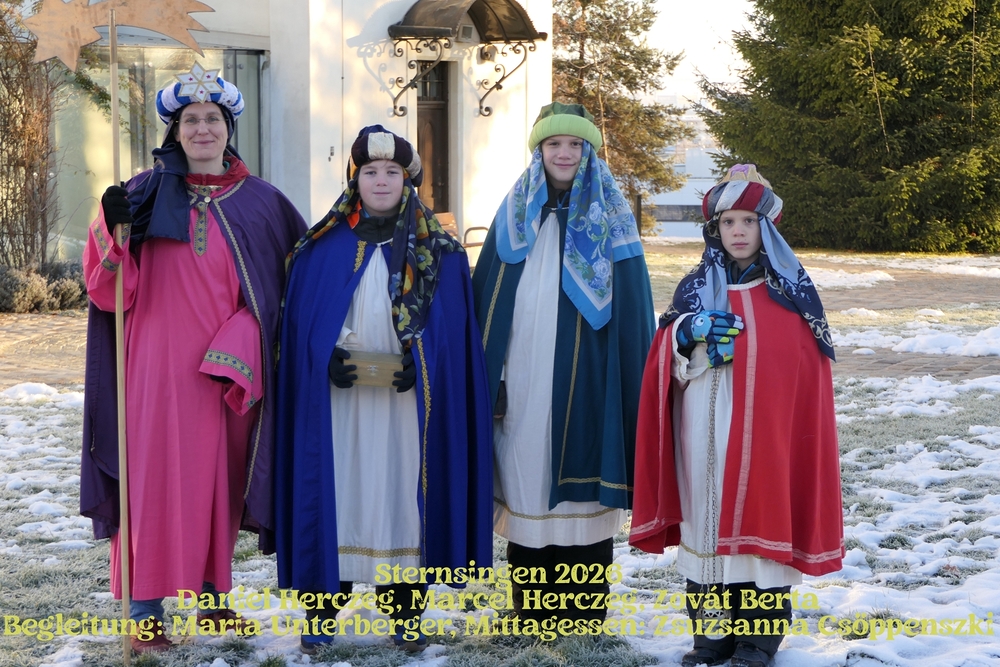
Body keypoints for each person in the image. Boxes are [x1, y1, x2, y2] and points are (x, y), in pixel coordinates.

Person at [80, 68, 307, 653]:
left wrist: (245, 337)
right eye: (190, 120)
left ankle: (213, 601)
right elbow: (107, 293)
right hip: (154, 369)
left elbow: (291, 290)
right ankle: (144, 610)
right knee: (150, 483)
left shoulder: (262, 202)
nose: (202, 128)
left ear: (228, 129)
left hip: (229, 374)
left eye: (212, 119)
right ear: (174, 131)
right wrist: (114, 234)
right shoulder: (139, 194)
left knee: (219, 487)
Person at [275, 125, 493, 654]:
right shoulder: (319, 249)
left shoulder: (440, 254)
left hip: (407, 410)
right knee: (338, 495)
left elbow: (454, 339)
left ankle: (406, 616)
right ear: (355, 179)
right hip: (338, 408)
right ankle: (321, 614)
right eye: (370, 171)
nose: (380, 181)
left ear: (408, 180)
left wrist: (422, 366)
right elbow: (299, 329)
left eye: (392, 172)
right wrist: (323, 360)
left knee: (401, 498)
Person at [629, 165, 844, 667]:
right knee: (707, 527)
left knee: (760, 530)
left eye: (749, 221)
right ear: (715, 229)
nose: (739, 231)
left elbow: (803, 371)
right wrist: (687, 334)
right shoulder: (693, 289)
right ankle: (710, 637)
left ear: (766, 228)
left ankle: (757, 641)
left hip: (767, 437)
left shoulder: (791, 295)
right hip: (702, 434)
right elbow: (664, 361)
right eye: (728, 222)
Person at [472, 103, 655, 625]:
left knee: (583, 495)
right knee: (526, 480)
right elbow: (487, 303)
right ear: (539, 151)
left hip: (591, 379)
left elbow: (634, 312)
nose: (565, 153)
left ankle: (584, 609)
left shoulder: (613, 221)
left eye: (576, 144)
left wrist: (623, 383)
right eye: (554, 144)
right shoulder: (514, 217)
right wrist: (493, 378)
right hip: (523, 378)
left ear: (589, 152)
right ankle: (532, 608)